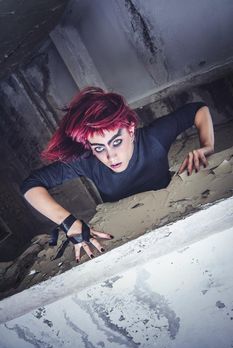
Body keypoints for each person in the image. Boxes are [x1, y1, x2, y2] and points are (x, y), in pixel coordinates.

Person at [21, 86, 214, 262]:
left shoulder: (154, 137)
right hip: (125, 230)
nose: (110, 156)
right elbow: (31, 184)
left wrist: (207, 146)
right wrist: (69, 223)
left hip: (173, 211)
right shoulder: (87, 160)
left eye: (116, 142)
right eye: (98, 148)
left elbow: (198, 109)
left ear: (130, 129)